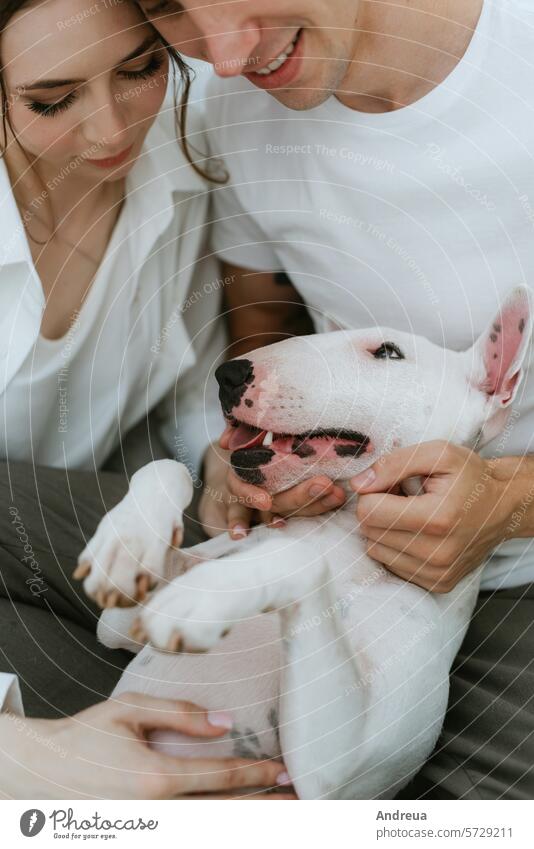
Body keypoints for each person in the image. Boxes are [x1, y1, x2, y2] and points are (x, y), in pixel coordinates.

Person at [138, 0, 534, 798]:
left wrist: (509, 500)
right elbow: (263, 313)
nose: (221, 55)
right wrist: (242, 457)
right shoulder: (233, 100)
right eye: (167, 7)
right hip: (315, 526)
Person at [0, 0, 290, 798]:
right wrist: (18, 760)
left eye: (139, 69)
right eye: (52, 101)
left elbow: (188, 377)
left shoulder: (186, 143)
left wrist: (226, 457)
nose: (109, 131)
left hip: (102, 527)